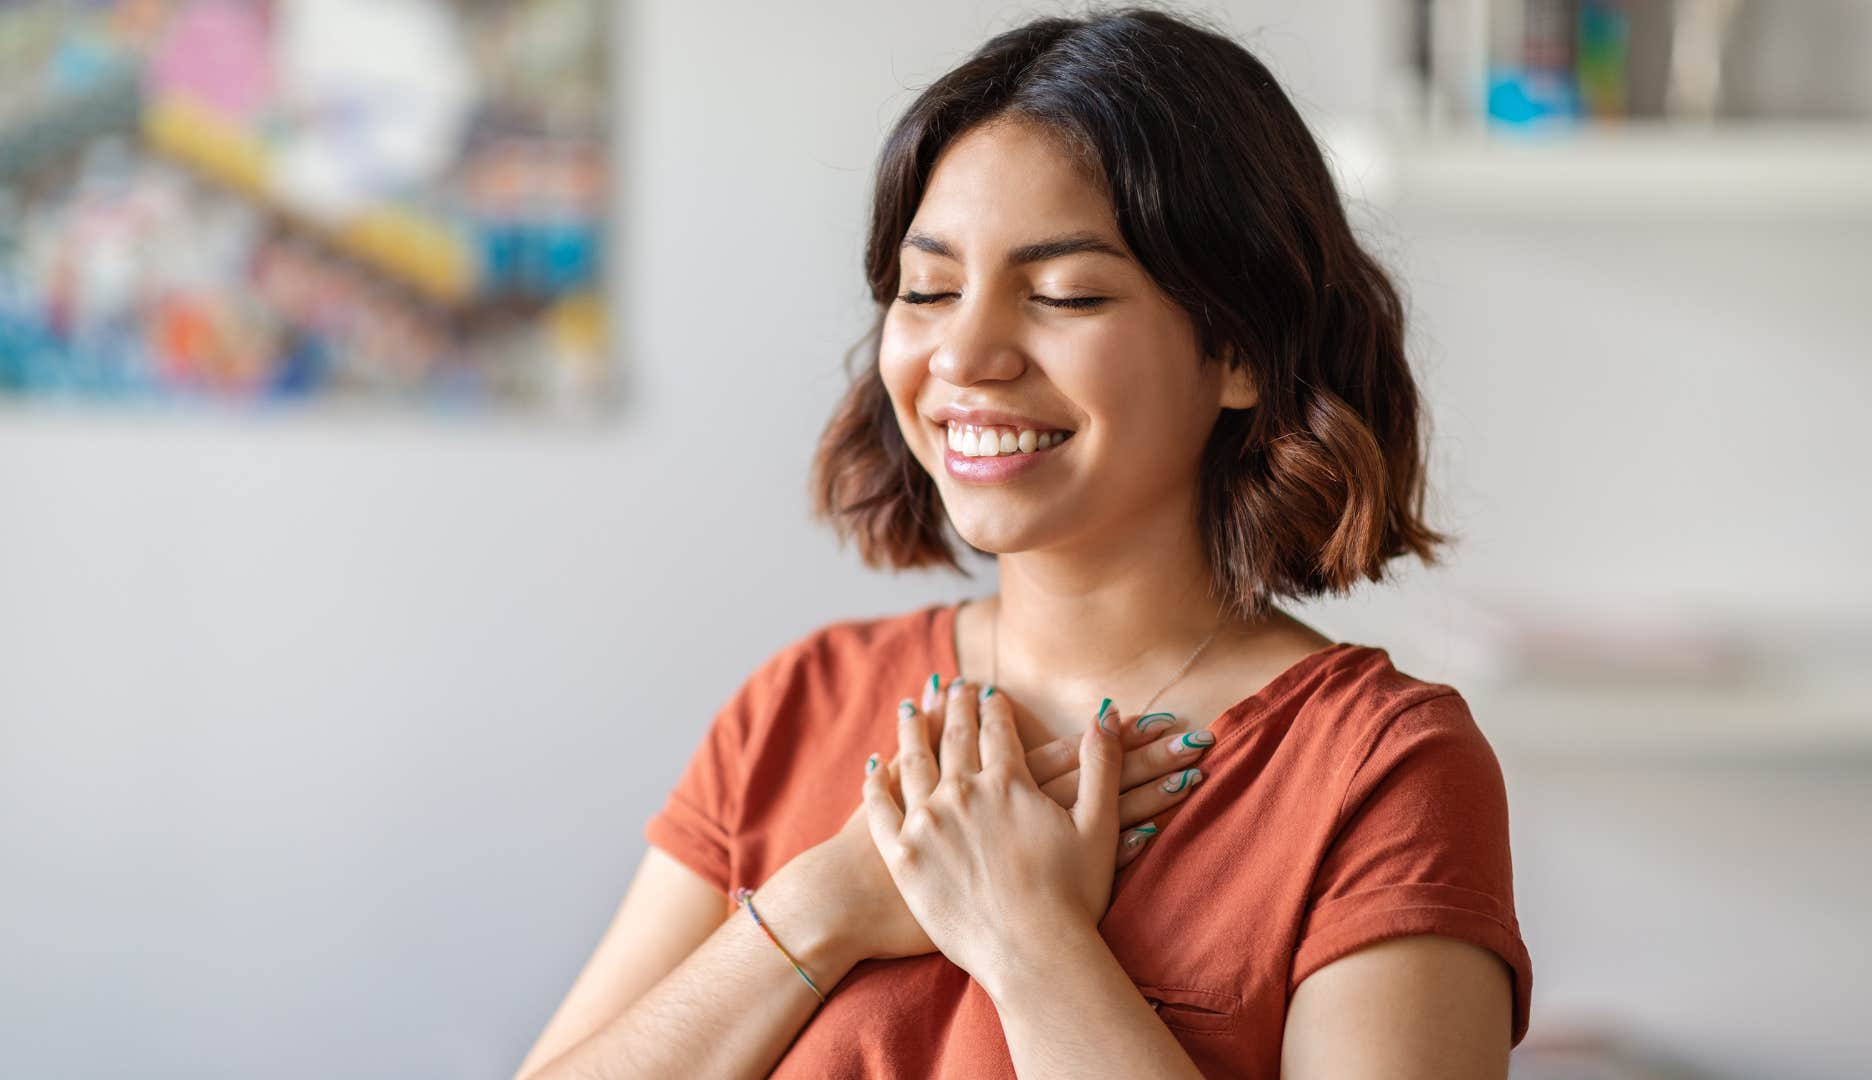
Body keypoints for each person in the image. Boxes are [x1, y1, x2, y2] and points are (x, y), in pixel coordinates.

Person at [514, 8, 1530, 1078]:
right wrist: (822, 907)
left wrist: (1025, 934)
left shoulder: (1381, 771)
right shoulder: (797, 707)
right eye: (929, 290)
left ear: (1241, 351)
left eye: (1063, 295)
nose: (966, 354)